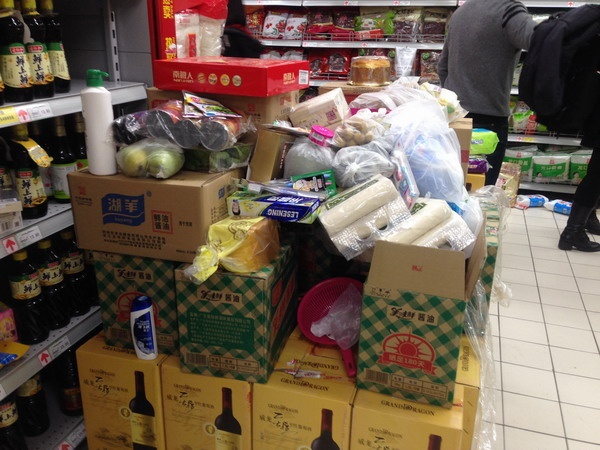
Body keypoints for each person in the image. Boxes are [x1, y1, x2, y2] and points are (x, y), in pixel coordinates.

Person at [438, 0, 536, 186]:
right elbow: (542, 42)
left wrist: (455, 99)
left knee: (452, 187)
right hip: (488, 122)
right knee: (481, 192)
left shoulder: (461, 11)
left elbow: (443, 66)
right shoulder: (509, 11)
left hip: (454, 118)